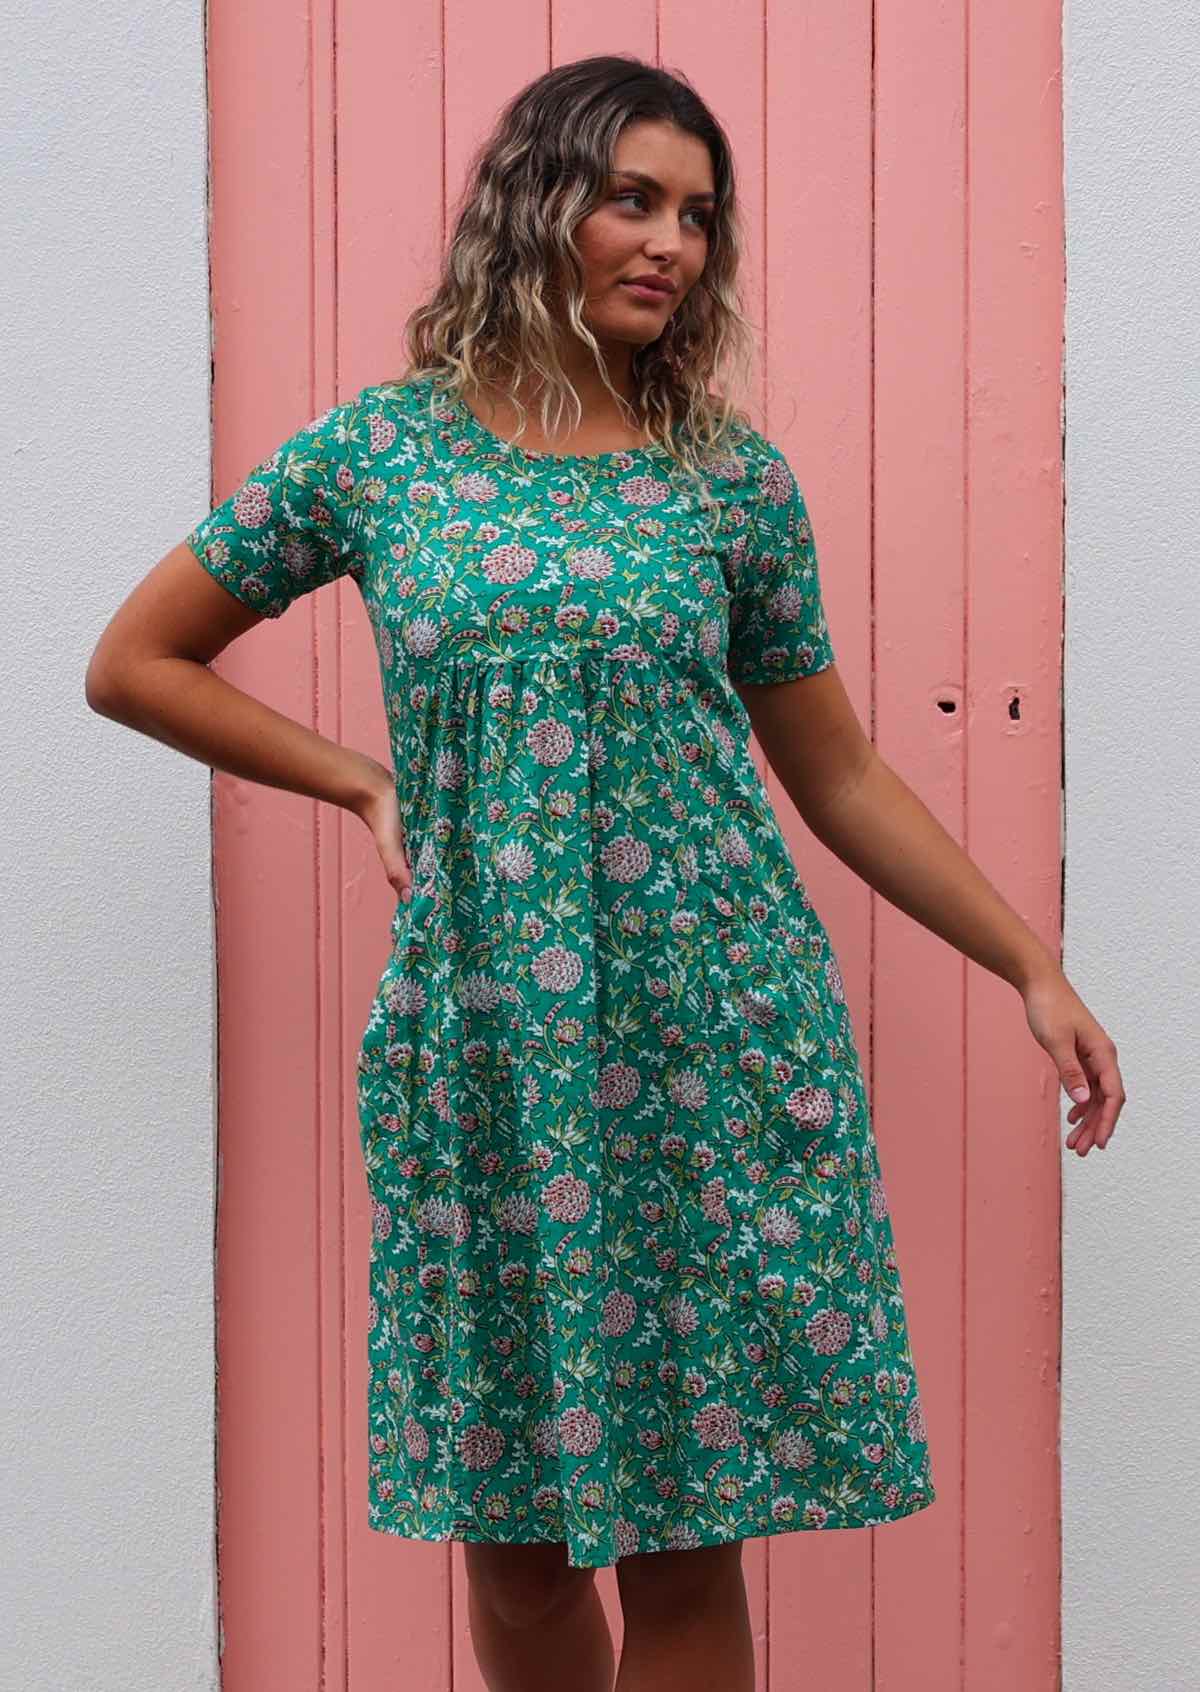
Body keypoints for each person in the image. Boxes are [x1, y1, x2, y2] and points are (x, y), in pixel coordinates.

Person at [84, 52, 1124, 1692]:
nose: (673, 245)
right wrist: (361, 778)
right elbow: (137, 661)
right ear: (536, 204)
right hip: (487, 1047)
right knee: (509, 1539)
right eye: (632, 198)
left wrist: (1030, 962)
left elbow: (837, 768)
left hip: (698, 1041)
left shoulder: (728, 481)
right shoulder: (381, 459)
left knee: (680, 1538)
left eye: (699, 215)